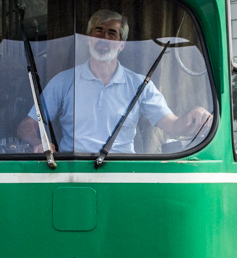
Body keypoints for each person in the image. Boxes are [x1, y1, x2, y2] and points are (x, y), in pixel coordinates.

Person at [16, 10, 212, 154]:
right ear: (88, 39)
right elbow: (27, 124)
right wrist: (37, 142)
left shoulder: (140, 84)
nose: (104, 38)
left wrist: (196, 117)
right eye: (98, 31)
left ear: (121, 45)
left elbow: (174, 126)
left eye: (112, 33)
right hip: (71, 172)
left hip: (124, 173)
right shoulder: (63, 81)